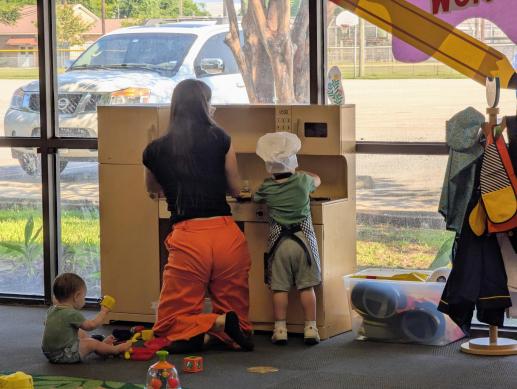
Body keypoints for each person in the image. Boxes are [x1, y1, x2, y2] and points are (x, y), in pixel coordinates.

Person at [142, 79, 253, 352]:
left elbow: (152, 190)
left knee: (167, 326)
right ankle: (225, 326)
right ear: (206, 106)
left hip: (190, 238)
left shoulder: (155, 149)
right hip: (227, 234)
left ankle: (214, 323)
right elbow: (236, 188)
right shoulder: (222, 138)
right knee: (240, 324)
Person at [253, 132, 322, 345]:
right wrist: (301, 172)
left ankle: (280, 329)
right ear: (292, 161)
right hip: (303, 242)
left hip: (279, 244)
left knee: (279, 288)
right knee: (306, 286)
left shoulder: (267, 187)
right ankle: (311, 327)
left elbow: (255, 197)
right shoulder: (303, 181)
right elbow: (318, 180)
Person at [41, 273, 132, 363]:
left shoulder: (51, 310)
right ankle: (114, 349)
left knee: (79, 331)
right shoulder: (72, 314)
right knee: (92, 343)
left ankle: (102, 346)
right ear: (77, 296)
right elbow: (91, 325)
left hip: (49, 353)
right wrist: (103, 312)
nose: (84, 300)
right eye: (83, 297)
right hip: (65, 355)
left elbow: (49, 325)